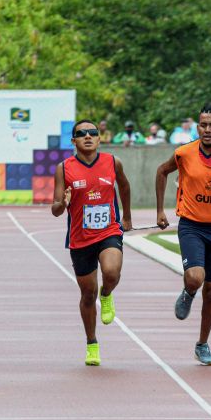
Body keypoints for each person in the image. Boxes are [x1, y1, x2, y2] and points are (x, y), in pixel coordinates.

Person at [155, 102, 211, 366]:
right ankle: (188, 291)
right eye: (203, 125)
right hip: (192, 225)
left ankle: (202, 344)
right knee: (196, 277)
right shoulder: (184, 153)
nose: (207, 130)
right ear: (198, 127)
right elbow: (162, 171)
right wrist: (160, 210)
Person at [52, 120, 132, 366]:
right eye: (81, 134)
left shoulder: (112, 162)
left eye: (92, 133)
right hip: (80, 238)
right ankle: (92, 344)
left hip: (108, 231)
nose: (88, 136)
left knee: (111, 272)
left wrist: (126, 216)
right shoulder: (64, 168)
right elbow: (55, 209)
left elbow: (125, 186)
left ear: (99, 139)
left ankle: (107, 294)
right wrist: (63, 203)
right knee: (87, 294)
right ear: (73, 141)